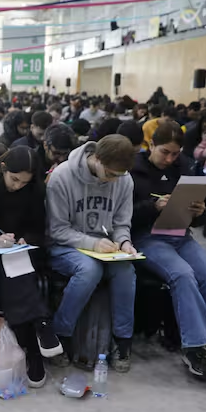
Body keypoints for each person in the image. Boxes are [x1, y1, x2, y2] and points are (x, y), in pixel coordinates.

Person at [130, 122, 206, 381]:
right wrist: (153, 207)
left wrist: (200, 213)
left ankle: (197, 347)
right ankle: (205, 346)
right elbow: (122, 216)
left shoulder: (185, 167)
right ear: (150, 145)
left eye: (175, 153)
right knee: (183, 275)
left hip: (180, 234)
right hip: (146, 237)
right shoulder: (132, 170)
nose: (169, 158)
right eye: (164, 152)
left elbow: (196, 216)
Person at [0, 147, 61, 387]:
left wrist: (28, 238)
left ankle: (33, 341)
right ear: (3, 169)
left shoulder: (34, 191)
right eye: (14, 179)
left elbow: (39, 229)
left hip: (19, 254)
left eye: (24, 182)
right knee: (13, 269)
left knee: (16, 268)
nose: (18, 186)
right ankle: (38, 333)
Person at [46, 134, 137, 372]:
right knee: (88, 270)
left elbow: (121, 223)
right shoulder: (62, 177)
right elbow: (57, 230)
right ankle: (60, 334)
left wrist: (125, 243)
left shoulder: (125, 179)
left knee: (126, 269)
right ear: (96, 158)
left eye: (120, 176)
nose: (115, 181)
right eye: (110, 174)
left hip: (107, 247)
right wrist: (92, 244)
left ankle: (122, 340)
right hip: (66, 246)